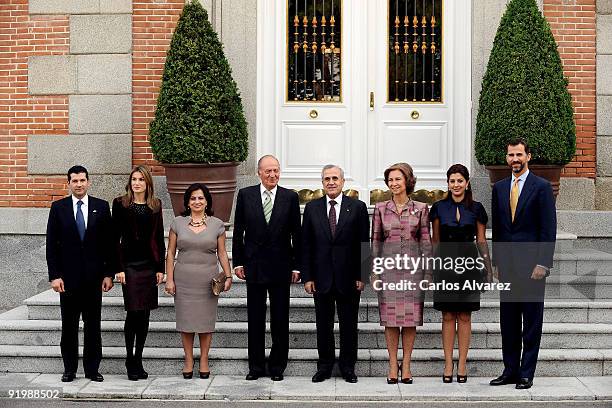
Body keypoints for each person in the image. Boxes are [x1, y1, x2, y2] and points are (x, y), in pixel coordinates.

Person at [489, 138, 556, 390]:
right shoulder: (500, 187)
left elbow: (548, 227)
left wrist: (543, 262)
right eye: (510, 155)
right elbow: (498, 229)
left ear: (528, 156)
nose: (514, 159)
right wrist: (496, 262)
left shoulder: (541, 187)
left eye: (519, 155)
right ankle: (510, 370)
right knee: (508, 321)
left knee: (531, 321)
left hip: (532, 268)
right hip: (507, 266)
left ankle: (527, 372)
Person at [232, 155, 302, 382]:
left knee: (280, 319)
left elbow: (296, 234)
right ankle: (256, 367)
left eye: (276, 171)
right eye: (268, 171)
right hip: (254, 266)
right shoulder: (246, 195)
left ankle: (277, 367)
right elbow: (238, 231)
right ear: (259, 172)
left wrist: (297, 266)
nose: (273, 175)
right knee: (255, 319)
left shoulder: (290, 197)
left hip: (282, 267)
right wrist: (239, 262)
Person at [301, 165, 370, 383]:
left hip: (349, 278)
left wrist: (363, 275)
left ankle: (348, 367)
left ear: (342, 182)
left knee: (349, 325)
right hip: (321, 278)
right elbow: (306, 245)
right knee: (323, 326)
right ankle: (325, 367)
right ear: (322, 183)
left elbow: (364, 243)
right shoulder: (312, 208)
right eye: (326, 179)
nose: (331, 182)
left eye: (335, 178)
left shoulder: (357, 207)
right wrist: (308, 276)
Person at [46, 165, 114, 383]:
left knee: (93, 326)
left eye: (82, 180)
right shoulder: (58, 208)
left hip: (94, 279)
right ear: (68, 183)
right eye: (74, 181)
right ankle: (69, 369)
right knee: (69, 327)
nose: (79, 184)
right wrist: (55, 276)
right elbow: (51, 245)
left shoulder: (102, 207)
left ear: (88, 182)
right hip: (68, 280)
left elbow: (109, 245)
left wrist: (108, 273)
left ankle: (93, 369)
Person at [429, 164, 492, 383]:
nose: (456, 185)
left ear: (466, 183)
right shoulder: (438, 207)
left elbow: (482, 241)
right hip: (444, 265)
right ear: (447, 183)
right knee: (447, 316)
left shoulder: (477, 208)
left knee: (465, 316)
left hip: (470, 265)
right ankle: (448, 364)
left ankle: (462, 364)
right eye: (452, 181)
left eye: (459, 181)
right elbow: (435, 241)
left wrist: (488, 268)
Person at [371, 162, 432, 384]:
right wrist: (375, 272)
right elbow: (376, 242)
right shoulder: (380, 209)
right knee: (390, 319)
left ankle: (406, 365)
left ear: (407, 180)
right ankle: (392, 366)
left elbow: (425, 242)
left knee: (409, 320)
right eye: (390, 180)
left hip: (414, 273)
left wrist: (428, 274)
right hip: (388, 272)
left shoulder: (421, 208)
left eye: (398, 179)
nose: (393, 183)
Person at [164, 183, 232, 379]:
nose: (197, 201)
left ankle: (203, 359)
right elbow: (170, 253)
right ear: (187, 201)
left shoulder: (217, 224)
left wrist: (227, 276)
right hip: (183, 279)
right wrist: (169, 279)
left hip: (208, 281)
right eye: (193, 198)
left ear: (207, 201)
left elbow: (221, 253)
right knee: (186, 321)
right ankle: (188, 360)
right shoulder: (177, 223)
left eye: (201, 198)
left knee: (205, 322)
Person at [111, 165, 166, 381]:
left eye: (141, 179)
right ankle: (129, 358)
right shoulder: (121, 204)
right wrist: (117, 268)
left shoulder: (155, 205)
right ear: (130, 182)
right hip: (130, 266)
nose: (137, 183)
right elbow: (114, 238)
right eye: (134, 179)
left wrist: (160, 268)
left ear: (147, 183)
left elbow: (159, 239)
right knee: (133, 312)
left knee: (145, 314)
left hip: (149, 266)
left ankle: (139, 358)